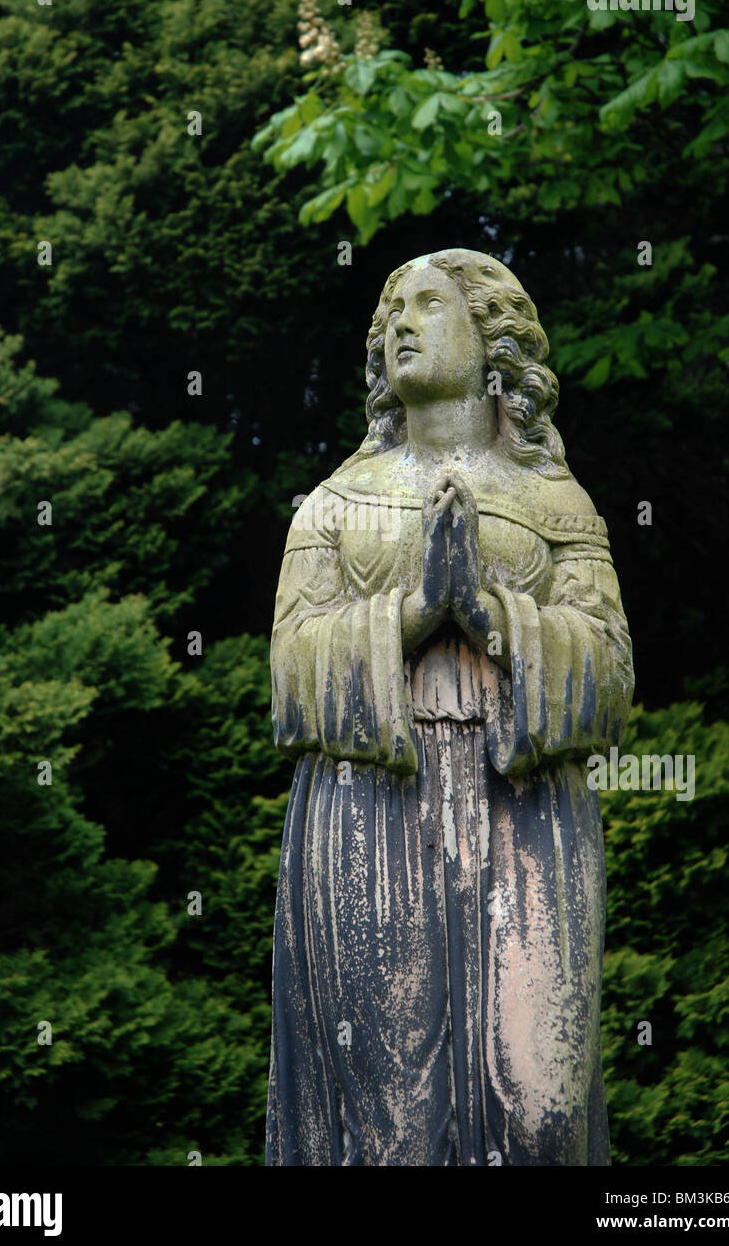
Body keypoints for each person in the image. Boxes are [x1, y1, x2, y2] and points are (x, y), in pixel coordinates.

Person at [266, 248, 634, 1166]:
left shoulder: (557, 503)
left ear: (491, 340)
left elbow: (613, 673)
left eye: (428, 304)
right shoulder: (332, 507)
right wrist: (415, 612)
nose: (400, 322)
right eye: (389, 309)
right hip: (370, 807)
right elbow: (289, 674)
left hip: (529, 804)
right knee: (390, 1114)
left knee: (544, 1110)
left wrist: (490, 614)